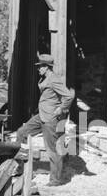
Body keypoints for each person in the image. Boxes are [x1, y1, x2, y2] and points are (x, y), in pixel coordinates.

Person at [15, 53, 75, 188]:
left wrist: (61, 109)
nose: (38, 69)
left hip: (50, 118)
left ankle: (55, 180)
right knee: (21, 133)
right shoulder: (45, 78)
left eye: (40, 67)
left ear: (46, 67)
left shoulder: (54, 79)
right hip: (41, 115)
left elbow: (68, 96)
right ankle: (21, 168)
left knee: (51, 149)